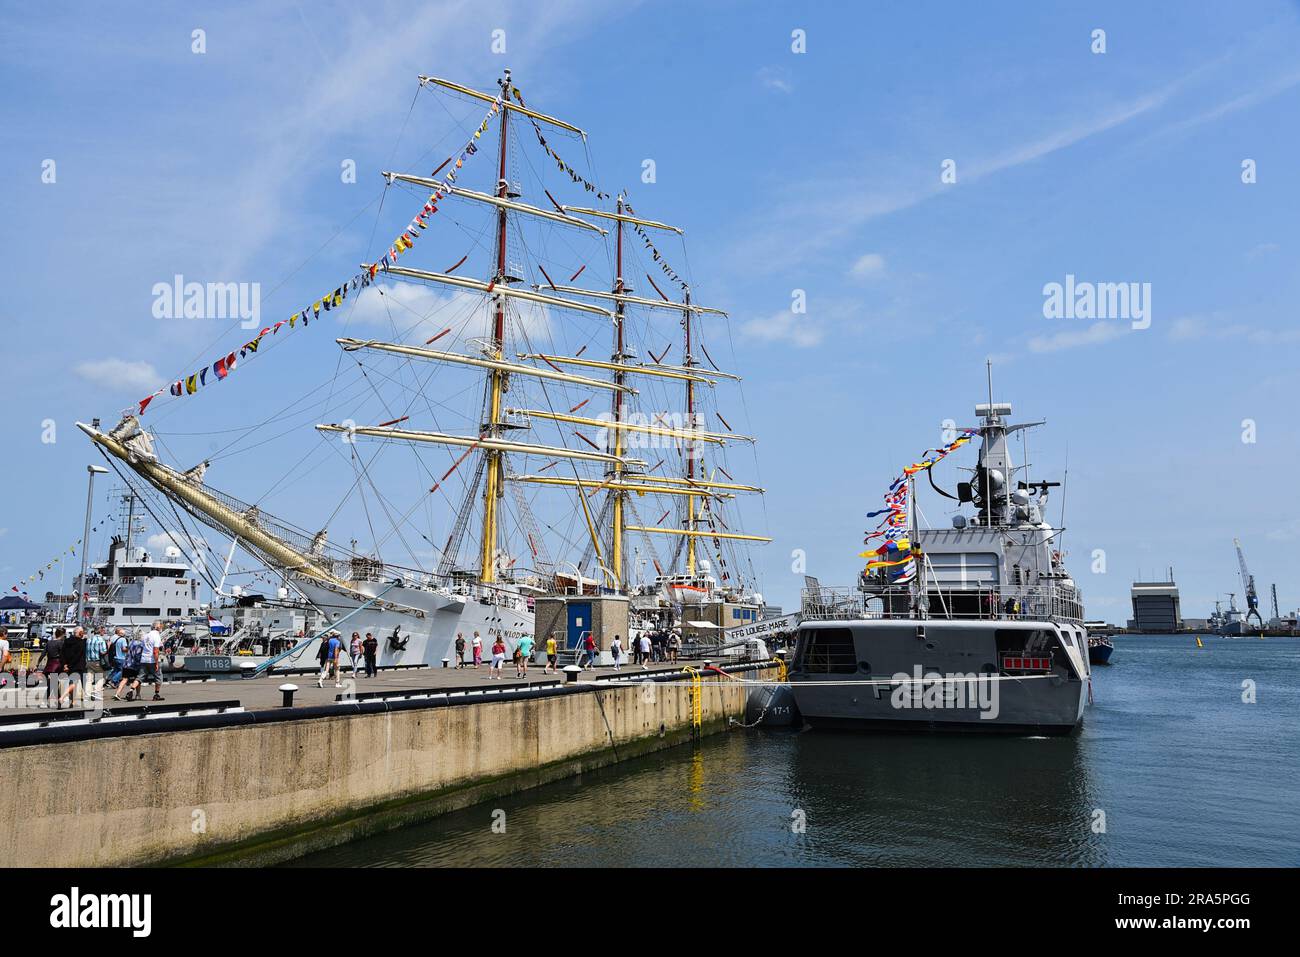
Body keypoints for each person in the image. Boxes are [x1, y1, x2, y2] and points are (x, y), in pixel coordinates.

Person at [58, 627, 89, 707]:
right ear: (80, 633)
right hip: (78, 665)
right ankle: (62, 697)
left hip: (68, 665)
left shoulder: (67, 641)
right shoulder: (81, 642)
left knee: (72, 682)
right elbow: (78, 656)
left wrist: (65, 664)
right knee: (74, 683)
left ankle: (73, 701)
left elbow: (62, 654)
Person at [116, 629, 146, 701]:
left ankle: (117, 694)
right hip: (135, 664)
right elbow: (138, 655)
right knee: (137, 679)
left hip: (127, 663)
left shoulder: (131, 642)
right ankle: (137, 694)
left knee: (125, 679)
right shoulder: (141, 644)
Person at [139, 621, 165, 702]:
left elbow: (142, 647)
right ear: (157, 628)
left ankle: (131, 691)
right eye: (161, 626)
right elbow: (156, 651)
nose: (162, 628)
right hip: (152, 660)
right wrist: (157, 662)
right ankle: (156, 694)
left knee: (139, 677)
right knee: (158, 677)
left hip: (143, 659)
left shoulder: (146, 635)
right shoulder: (157, 636)